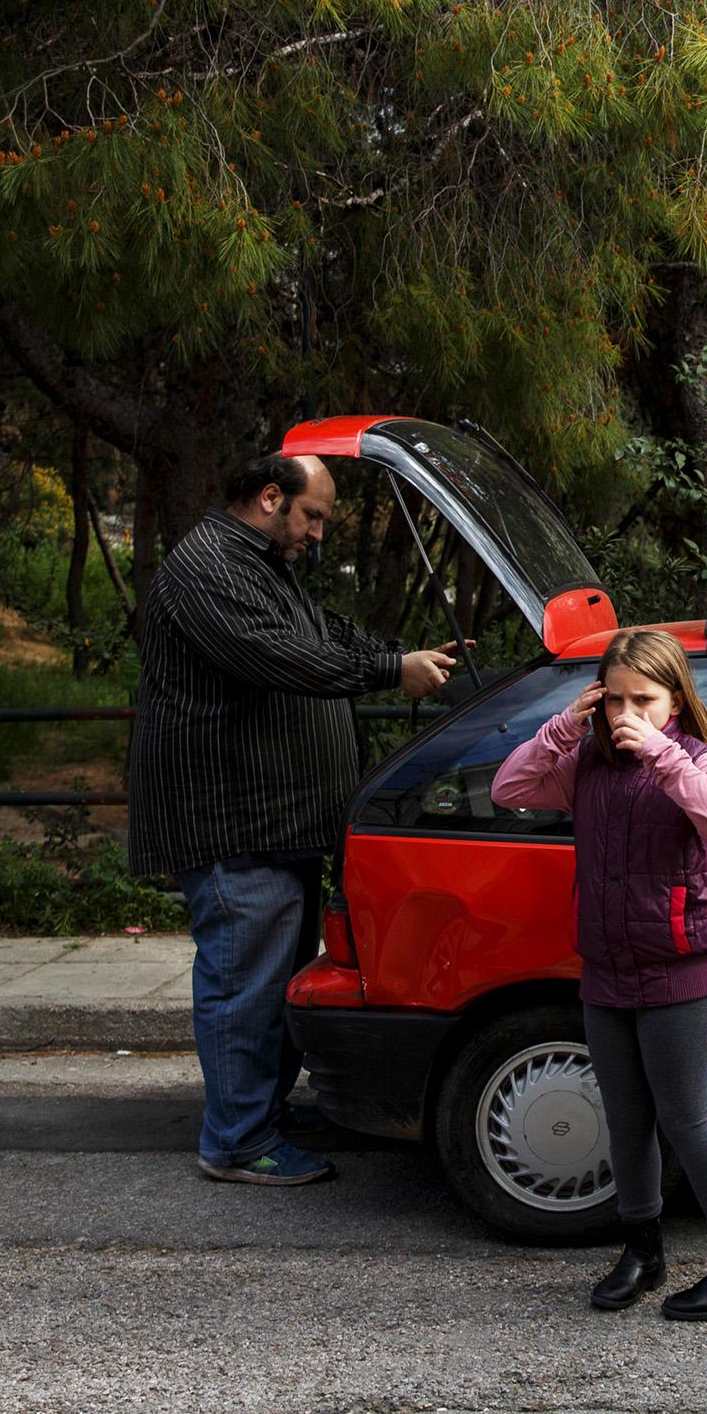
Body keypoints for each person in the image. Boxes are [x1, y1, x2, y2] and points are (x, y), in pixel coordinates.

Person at [127, 453, 461, 1187]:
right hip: (233, 821)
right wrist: (387, 672)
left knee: (275, 979)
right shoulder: (206, 567)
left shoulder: (261, 566)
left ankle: (258, 1111)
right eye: (312, 516)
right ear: (271, 497)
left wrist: (403, 658)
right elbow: (280, 657)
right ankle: (238, 1141)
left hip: (277, 821)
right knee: (243, 982)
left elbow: (326, 634)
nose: (317, 534)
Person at [491, 628, 707, 1320]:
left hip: (682, 970)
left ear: (675, 698)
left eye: (642, 700)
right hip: (609, 968)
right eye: (613, 700)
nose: (625, 715)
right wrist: (562, 726)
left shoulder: (695, 760)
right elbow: (509, 787)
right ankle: (641, 1253)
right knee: (625, 1121)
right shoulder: (586, 762)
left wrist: (661, 753)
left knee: (686, 1119)